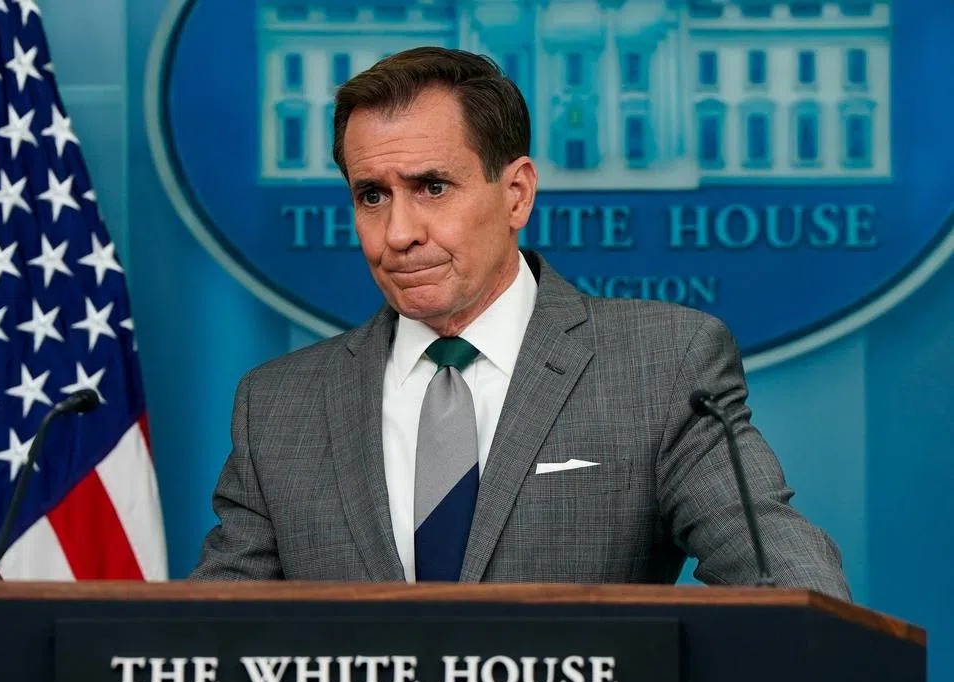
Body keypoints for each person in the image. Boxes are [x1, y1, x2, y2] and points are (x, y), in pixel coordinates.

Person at [190, 47, 850, 600]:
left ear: (516, 194)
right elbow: (202, 649)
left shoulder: (663, 367)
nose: (398, 233)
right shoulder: (278, 406)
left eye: (432, 188)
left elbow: (781, 577)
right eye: (372, 196)